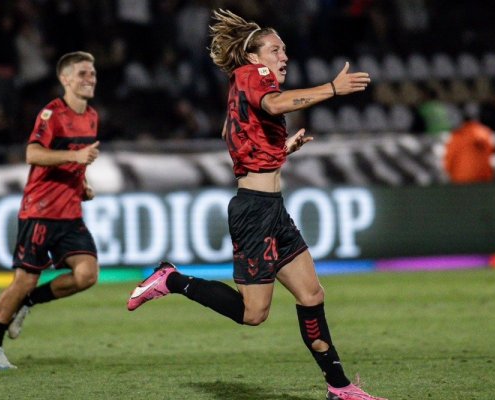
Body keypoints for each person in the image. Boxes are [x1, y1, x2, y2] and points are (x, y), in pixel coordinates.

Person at [127, 9, 387, 400]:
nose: (284, 57)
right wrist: (331, 88)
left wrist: (284, 148)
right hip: (254, 212)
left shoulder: (240, 90)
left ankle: (340, 387)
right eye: (275, 49)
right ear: (253, 56)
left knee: (312, 295)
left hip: (272, 209)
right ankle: (171, 279)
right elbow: (276, 105)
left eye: (285, 51)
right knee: (253, 314)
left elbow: (236, 138)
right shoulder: (253, 76)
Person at [0, 51, 101, 370]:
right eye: (83, 73)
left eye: (93, 73)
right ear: (65, 79)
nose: (90, 78)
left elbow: (78, 159)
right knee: (23, 282)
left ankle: (29, 304)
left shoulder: (91, 116)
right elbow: (32, 153)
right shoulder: (52, 113)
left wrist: (82, 183)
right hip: (40, 212)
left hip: (70, 213)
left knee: (87, 275)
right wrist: (75, 160)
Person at [444, 118, 495, 184]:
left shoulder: (457, 136)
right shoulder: (485, 132)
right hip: (482, 180)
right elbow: (491, 153)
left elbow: (448, 162)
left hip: (460, 181)